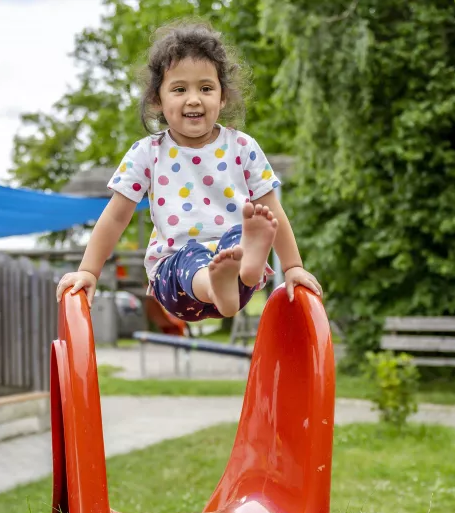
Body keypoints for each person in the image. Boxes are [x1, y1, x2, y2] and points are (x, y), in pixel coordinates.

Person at [56, 20, 322, 320]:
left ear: (222, 97)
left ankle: (244, 272)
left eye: (206, 88)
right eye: (180, 89)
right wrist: (89, 271)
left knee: (243, 233)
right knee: (193, 257)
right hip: (175, 275)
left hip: (235, 268)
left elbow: (272, 212)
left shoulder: (243, 146)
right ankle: (218, 282)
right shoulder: (148, 153)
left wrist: (293, 267)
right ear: (158, 99)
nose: (194, 98)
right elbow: (115, 216)